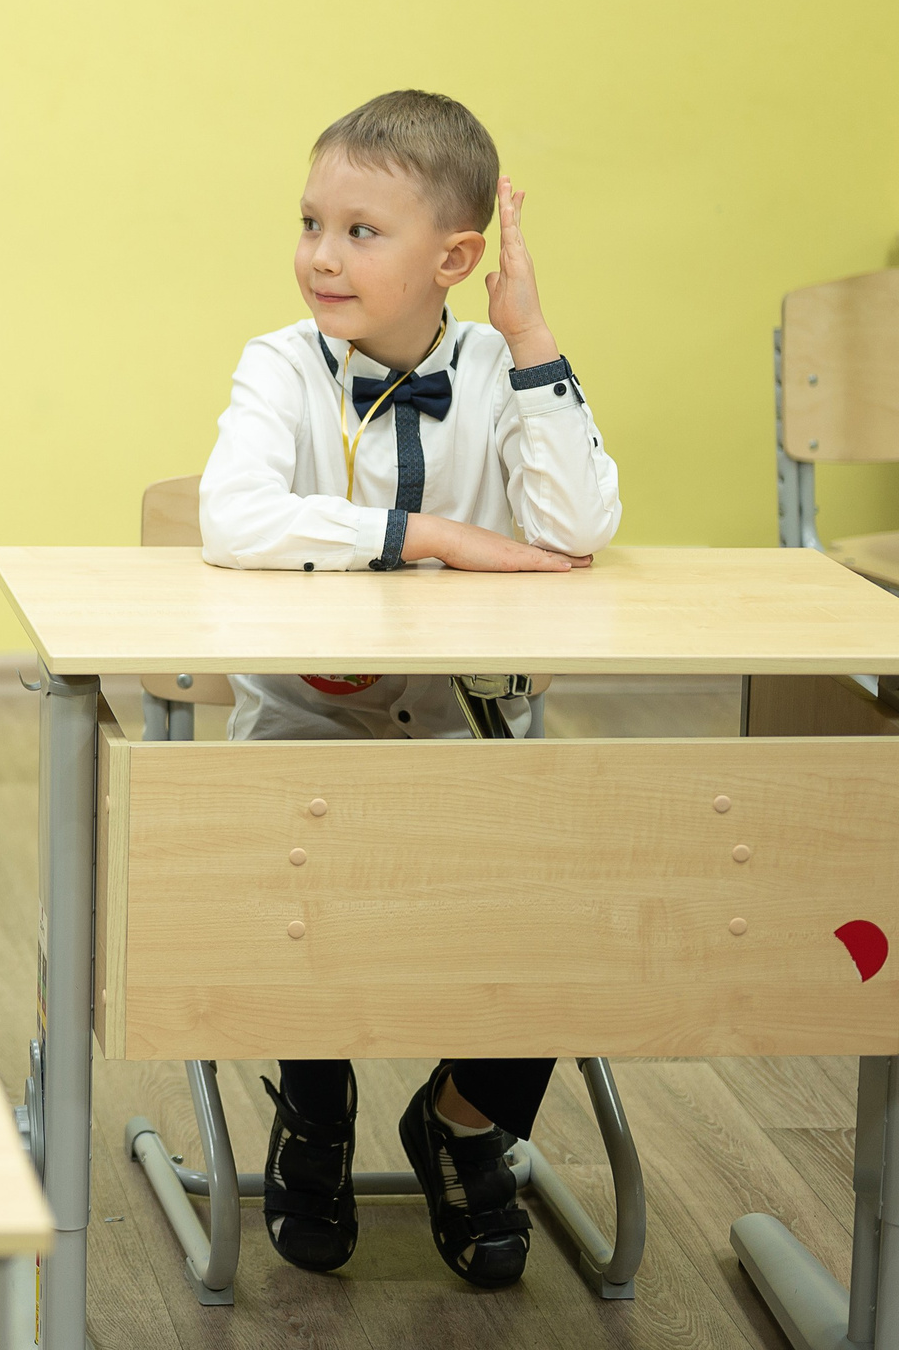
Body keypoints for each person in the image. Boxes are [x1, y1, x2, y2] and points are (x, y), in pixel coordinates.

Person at [197, 89, 619, 1289]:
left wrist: (530, 340)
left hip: (468, 731)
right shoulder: (279, 366)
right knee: (296, 883)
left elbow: (579, 522)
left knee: (567, 895)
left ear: (457, 259)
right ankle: (314, 1102)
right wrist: (426, 535)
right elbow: (234, 517)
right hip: (307, 727)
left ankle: (462, 1117)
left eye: (360, 232)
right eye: (310, 222)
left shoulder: (499, 368)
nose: (321, 255)